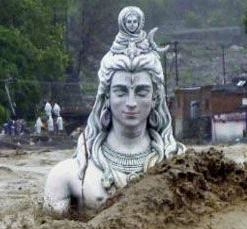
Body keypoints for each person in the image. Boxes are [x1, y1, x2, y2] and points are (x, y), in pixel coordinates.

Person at [44, 6, 184, 212]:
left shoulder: (179, 165)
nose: (131, 102)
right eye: (120, 92)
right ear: (106, 97)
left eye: (141, 92)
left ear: (155, 98)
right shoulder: (69, 175)